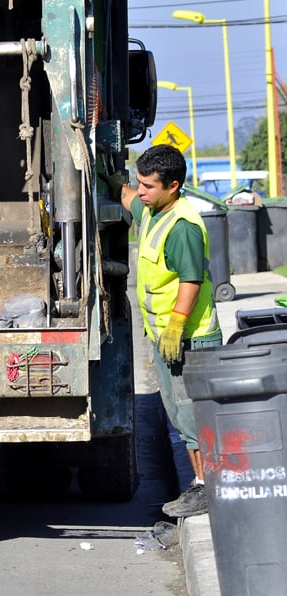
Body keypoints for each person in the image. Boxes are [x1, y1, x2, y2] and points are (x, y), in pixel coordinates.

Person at [107, 144, 222, 518]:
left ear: (173, 186)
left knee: (192, 417)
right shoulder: (155, 211)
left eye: (148, 186)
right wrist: (114, 182)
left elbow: (191, 280)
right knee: (179, 414)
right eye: (139, 183)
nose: (141, 191)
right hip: (167, 340)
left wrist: (175, 324)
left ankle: (206, 488)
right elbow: (129, 200)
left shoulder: (183, 227)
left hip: (191, 340)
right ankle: (201, 482)